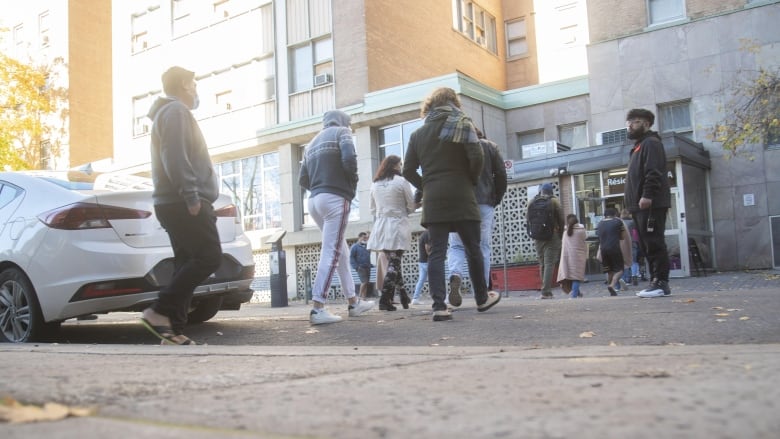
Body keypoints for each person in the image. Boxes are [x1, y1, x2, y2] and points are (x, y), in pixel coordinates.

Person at [139, 66, 223, 345]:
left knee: (186, 262)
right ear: (185, 85)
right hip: (182, 201)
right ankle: (159, 311)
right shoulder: (175, 112)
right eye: (195, 84)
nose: (197, 90)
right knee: (210, 256)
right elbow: (174, 155)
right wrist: (191, 196)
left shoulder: (167, 113)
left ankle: (171, 331)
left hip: (172, 201)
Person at [402, 87, 501, 321]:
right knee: (473, 248)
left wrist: (426, 184)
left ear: (430, 106)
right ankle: (481, 299)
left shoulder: (418, 134)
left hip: (434, 199)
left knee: (437, 252)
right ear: (454, 103)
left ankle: (439, 306)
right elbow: (477, 156)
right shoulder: (463, 124)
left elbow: (407, 170)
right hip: (463, 195)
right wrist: (471, 179)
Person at [299, 110, 375, 324]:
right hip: (335, 197)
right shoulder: (342, 132)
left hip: (314, 200)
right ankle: (318, 308)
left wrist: (319, 187)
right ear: (343, 122)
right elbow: (349, 159)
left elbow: (302, 179)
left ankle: (353, 302)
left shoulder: (311, 143)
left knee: (341, 250)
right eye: (349, 123)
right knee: (332, 252)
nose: (349, 127)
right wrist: (350, 185)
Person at [446, 127, 507, 305]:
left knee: (457, 246)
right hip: (484, 203)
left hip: (458, 203)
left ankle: (455, 274)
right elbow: (501, 175)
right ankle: (481, 292)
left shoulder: (454, 149)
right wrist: (495, 198)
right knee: (482, 247)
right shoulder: (490, 147)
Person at [624, 108, 673, 298]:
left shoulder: (651, 144)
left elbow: (653, 172)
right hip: (639, 207)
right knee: (646, 245)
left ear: (646, 124)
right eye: (628, 122)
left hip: (650, 204)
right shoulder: (638, 146)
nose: (629, 125)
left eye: (634, 122)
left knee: (654, 243)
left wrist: (647, 195)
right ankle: (655, 281)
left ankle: (661, 283)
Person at [366, 155, 418, 311]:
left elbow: (372, 209)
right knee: (394, 265)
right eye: (400, 164)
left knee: (393, 264)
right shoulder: (401, 182)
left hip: (381, 225)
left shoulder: (374, 184)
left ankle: (403, 295)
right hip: (398, 225)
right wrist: (418, 203)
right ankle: (385, 299)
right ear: (396, 166)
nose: (401, 167)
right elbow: (410, 206)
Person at [527, 183, 564, 299]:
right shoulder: (554, 202)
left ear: (541, 191)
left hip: (538, 236)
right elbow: (561, 220)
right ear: (551, 191)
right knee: (549, 263)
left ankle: (545, 289)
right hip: (552, 235)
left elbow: (528, 219)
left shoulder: (532, 202)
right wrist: (561, 234)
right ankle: (546, 291)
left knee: (542, 263)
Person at [596, 208, 628, 296]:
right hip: (615, 248)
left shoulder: (600, 223)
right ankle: (612, 284)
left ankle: (611, 288)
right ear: (615, 214)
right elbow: (622, 237)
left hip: (603, 249)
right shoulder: (618, 222)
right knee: (620, 269)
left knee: (609, 270)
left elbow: (599, 236)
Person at [557, 214, 587, 298]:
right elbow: (584, 241)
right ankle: (574, 296)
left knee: (570, 276)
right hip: (578, 257)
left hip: (567, 257)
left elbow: (563, 245)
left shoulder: (565, 232)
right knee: (576, 277)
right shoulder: (581, 230)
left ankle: (578, 293)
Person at [620, 209, 640, 288]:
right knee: (633, 260)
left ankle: (627, 279)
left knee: (624, 261)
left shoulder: (619, 222)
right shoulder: (632, 222)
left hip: (623, 243)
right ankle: (634, 275)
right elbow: (637, 231)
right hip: (632, 242)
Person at [349, 232, 372, 298]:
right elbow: (351, 257)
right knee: (364, 282)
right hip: (360, 267)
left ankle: (363, 299)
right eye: (364, 237)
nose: (365, 239)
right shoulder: (355, 246)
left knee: (366, 283)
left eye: (366, 238)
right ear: (359, 237)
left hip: (367, 266)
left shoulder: (367, 246)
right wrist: (356, 267)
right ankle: (359, 297)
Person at [412, 230, 431, 305]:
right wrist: (432, 256)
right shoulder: (427, 234)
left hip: (422, 261)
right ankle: (443, 298)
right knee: (436, 279)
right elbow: (427, 248)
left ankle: (415, 298)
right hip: (427, 261)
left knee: (421, 280)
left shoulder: (423, 234)